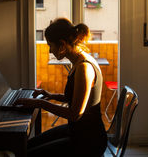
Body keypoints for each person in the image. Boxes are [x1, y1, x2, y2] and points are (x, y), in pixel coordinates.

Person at [14, 18, 107, 157]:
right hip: (78, 130)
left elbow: (75, 114)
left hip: (88, 141)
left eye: (50, 45)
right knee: (26, 146)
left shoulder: (84, 67)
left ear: (62, 44)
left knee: (28, 153)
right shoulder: (79, 61)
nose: (50, 50)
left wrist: (41, 103)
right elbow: (77, 98)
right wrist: (50, 95)